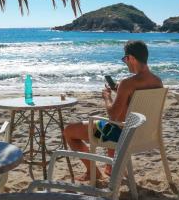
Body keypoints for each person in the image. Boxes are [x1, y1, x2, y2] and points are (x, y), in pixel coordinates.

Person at [63, 40, 163, 181]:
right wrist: (121, 93)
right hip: (145, 133)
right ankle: (110, 167)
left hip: (122, 136)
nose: (125, 62)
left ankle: (93, 171)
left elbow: (112, 113)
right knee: (118, 119)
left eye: (125, 59)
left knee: (69, 131)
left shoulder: (127, 83)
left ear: (131, 58)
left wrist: (107, 97)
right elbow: (131, 108)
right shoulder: (157, 81)